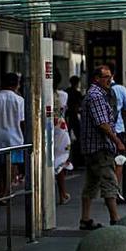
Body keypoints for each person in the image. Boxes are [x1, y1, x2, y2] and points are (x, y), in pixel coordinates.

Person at [79, 66, 124, 229]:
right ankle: (115, 218)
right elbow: (102, 124)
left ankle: (85, 219)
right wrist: (117, 140)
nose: (109, 80)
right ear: (96, 78)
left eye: (110, 77)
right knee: (109, 181)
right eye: (105, 77)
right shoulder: (96, 96)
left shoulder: (96, 95)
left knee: (92, 183)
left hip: (92, 147)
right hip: (99, 147)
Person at [0, 72, 25, 201]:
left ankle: (1, 190)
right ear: (16, 84)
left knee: (1, 166)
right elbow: (22, 121)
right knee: (12, 165)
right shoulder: (19, 100)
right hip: (15, 138)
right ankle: (7, 191)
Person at [110, 79, 126, 199]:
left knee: (106, 161)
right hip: (118, 130)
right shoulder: (120, 89)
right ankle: (114, 190)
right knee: (118, 160)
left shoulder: (95, 89)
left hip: (102, 131)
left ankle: (108, 189)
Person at [53, 71, 72, 205]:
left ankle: (54, 193)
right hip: (61, 129)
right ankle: (62, 193)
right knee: (61, 162)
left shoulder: (41, 95)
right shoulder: (64, 95)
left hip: (46, 130)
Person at [65, 75, 83, 140]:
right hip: (74, 114)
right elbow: (81, 104)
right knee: (78, 132)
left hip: (67, 114)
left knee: (67, 131)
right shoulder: (77, 93)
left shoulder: (66, 91)